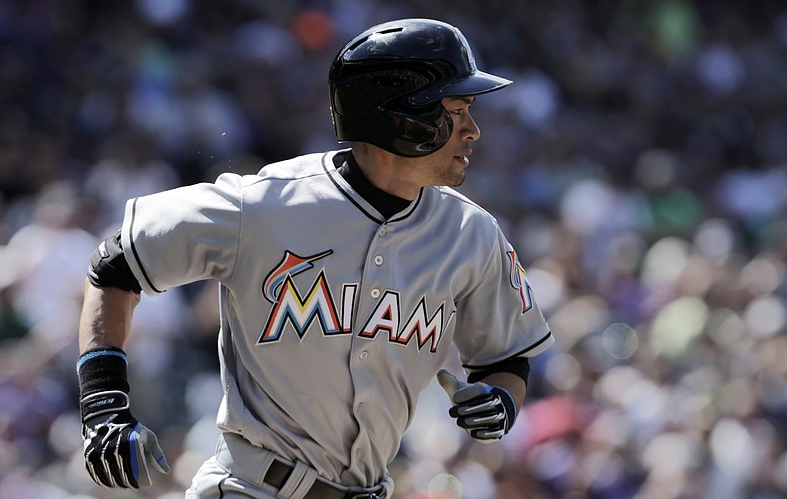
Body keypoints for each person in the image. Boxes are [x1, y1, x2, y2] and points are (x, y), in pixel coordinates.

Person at [76, 18, 554, 499]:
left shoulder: (472, 233)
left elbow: (507, 357)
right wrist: (103, 403)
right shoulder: (265, 204)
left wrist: (501, 401)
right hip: (252, 488)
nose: (472, 131)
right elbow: (115, 263)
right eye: (455, 110)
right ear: (400, 117)